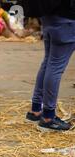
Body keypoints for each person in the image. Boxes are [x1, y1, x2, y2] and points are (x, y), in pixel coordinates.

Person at [25, 0, 74, 132]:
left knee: (49, 62)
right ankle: (48, 117)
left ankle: (35, 110)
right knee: (55, 66)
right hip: (66, 17)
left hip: (49, 16)